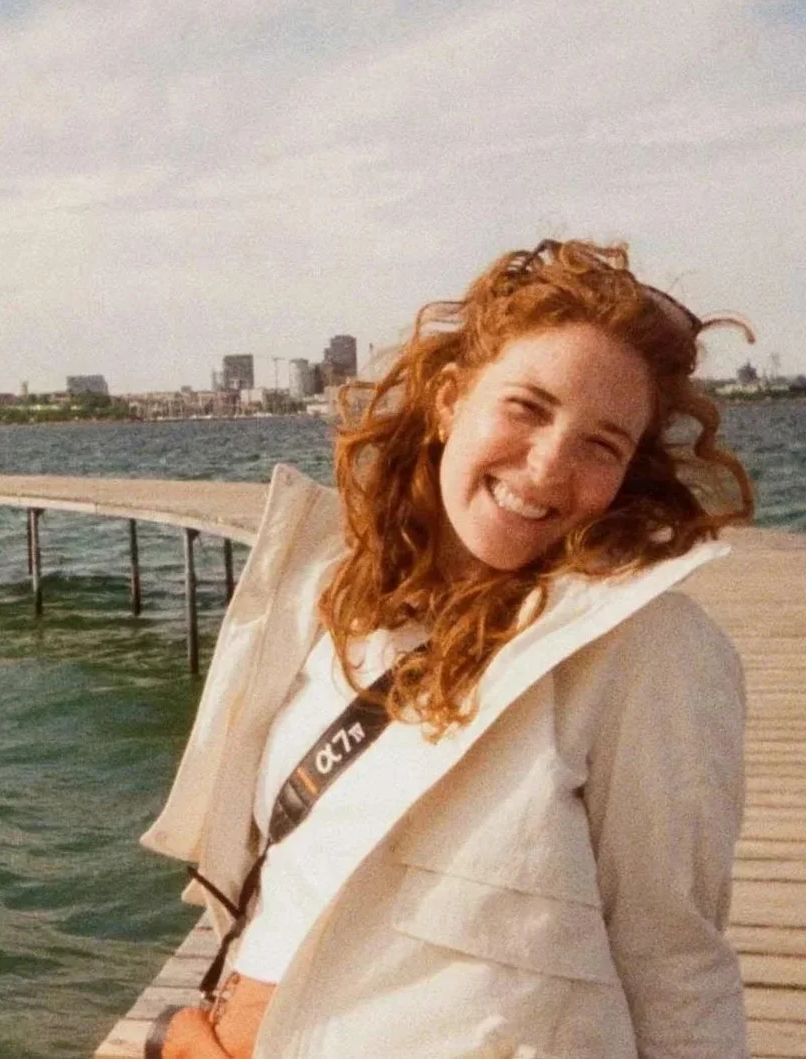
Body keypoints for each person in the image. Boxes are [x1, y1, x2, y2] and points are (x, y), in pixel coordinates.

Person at [141, 239, 756, 1058]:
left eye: (599, 445)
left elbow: (673, 963)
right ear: (448, 399)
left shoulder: (644, 653)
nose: (545, 468)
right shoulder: (339, 597)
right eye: (527, 408)